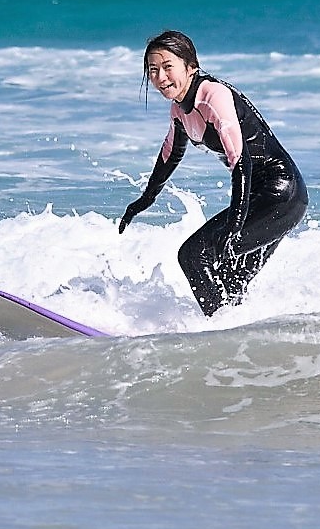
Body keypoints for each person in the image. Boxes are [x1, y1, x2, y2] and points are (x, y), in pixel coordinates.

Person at [118, 30, 309, 316]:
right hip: (267, 199)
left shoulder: (213, 96)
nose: (159, 77)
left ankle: (218, 333)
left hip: (279, 194)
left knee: (194, 255)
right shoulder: (179, 110)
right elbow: (169, 157)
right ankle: (239, 340)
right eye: (152, 70)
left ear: (191, 66)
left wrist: (236, 220)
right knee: (230, 283)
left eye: (167, 67)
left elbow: (240, 161)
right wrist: (143, 201)